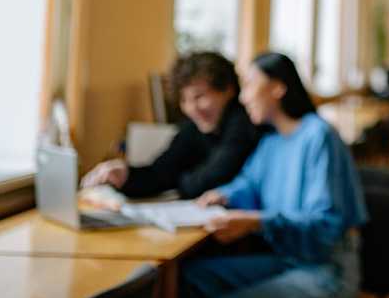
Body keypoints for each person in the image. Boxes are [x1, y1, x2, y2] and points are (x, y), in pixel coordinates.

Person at [181, 51, 368, 298]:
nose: (243, 98)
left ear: (278, 88)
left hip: (326, 270)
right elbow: (248, 183)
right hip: (288, 260)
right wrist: (224, 194)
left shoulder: (318, 136)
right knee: (190, 279)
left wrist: (257, 222)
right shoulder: (271, 141)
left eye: (249, 86)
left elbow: (326, 224)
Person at [81, 51, 258, 199]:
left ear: (228, 90)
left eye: (199, 97)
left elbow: (209, 181)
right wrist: (124, 175)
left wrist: (179, 180)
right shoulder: (193, 127)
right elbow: (161, 173)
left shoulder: (244, 122)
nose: (191, 108)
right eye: (184, 100)